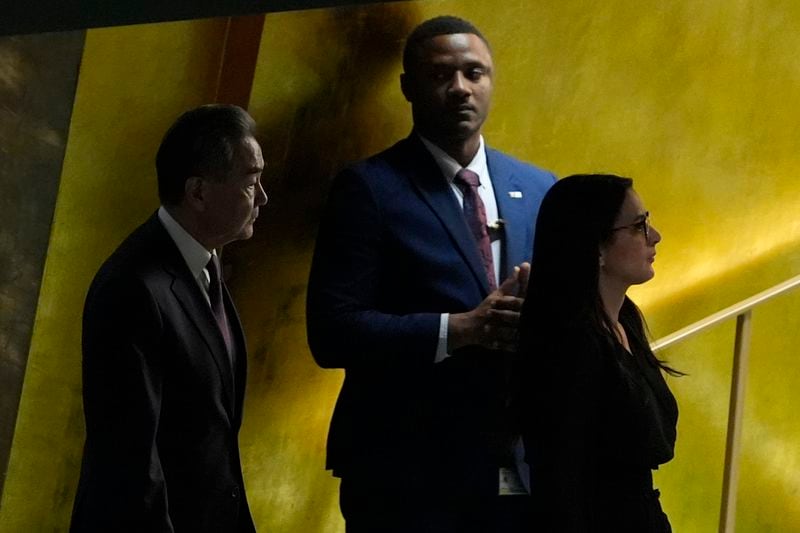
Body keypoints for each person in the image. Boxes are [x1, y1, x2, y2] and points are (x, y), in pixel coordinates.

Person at [306, 15, 556, 533]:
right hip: (405, 474)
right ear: (408, 88)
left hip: (517, 472)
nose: (461, 88)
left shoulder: (538, 187)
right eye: (442, 75)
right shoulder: (368, 188)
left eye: (475, 73)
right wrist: (459, 329)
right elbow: (331, 333)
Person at [70, 104, 268, 532]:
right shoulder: (133, 288)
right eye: (251, 183)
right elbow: (130, 461)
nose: (263, 197)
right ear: (197, 192)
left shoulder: (206, 264)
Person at [515, 174, 679, 532]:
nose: (654, 236)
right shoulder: (569, 343)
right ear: (597, 247)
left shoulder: (625, 321)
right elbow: (561, 478)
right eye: (639, 226)